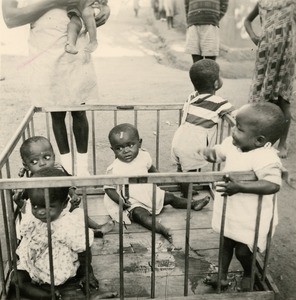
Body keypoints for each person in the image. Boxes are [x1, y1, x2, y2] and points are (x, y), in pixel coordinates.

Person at [2, 0, 111, 177]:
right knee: (57, 112)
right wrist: (54, 2)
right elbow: (10, 18)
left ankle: (83, 170)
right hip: (46, 44)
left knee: (79, 110)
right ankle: (67, 169)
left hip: (74, 40)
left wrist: (103, 6)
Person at [199, 102, 285, 291]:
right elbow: (220, 153)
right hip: (231, 211)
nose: (232, 130)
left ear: (259, 140)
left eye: (239, 128)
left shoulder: (266, 157)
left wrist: (240, 186)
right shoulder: (233, 144)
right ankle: (221, 276)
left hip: (252, 216)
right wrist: (209, 153)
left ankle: (249, 272)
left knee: (244, 251)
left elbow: (273, 184)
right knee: (225, 243)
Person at [12, 167, 117, 299]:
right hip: (32, 266)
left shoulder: (68, 223)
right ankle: (48, 296)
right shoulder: (32, 215)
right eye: (35, 206)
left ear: (64, 204)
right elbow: (24, 227)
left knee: (83, 281)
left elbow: (83, 248)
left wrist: (86, 273)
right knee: (16, 280)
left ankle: (88, 290)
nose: (40, 212)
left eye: (48, 207)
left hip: (59, 268)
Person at [103, 123, 210, 244]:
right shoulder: (114, 168)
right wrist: (120, 201)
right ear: (113, 150)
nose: (126, 151)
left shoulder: (144, 156)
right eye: (119, 148)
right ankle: (162, 229)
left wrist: (158, 177)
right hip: (133, 202)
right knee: (141, 216)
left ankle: (193, 203)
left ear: (140, 143)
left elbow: (151, 168)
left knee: (171, 197)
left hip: (149, 193)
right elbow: (109, 189)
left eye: (130, 145)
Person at [13, 136, 115, 238]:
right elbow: (26, 205)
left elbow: (68, 184)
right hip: (42, 216)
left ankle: (96, 227)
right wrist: (18, 198)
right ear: (26, 166)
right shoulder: (30, 181)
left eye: (47, 158)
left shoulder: (59, 169)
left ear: (53, 156)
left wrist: (73, 194)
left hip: (63, 208)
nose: (42, 163)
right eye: (34, 162)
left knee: (78, 213)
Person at [171, 59, 235, 198]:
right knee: (190, 172)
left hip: (179, 138)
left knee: (183, 168)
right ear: (216, 83)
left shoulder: (192, 96)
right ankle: (189, 200)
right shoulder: (219, 103)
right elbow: (233, 114)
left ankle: (185, 190)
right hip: (193, 143)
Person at [244, 0, 296, 159]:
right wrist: (254, 36)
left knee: (283, 99)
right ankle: (260, 140)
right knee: (261, 98)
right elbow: (247, 21)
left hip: (285, 54)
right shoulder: (262, 2)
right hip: (265, 53)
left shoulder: (292, 3)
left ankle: (282, 144)